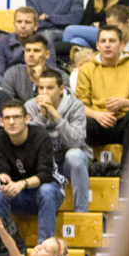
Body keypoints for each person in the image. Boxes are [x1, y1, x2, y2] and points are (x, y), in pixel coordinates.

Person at [75, 23, 129, 166]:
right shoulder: (87, 69)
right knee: (81, 120)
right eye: (103, 41)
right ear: (97, 45)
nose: (107, 45)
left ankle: (127, 169)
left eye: (112, 41)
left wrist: (125, 102)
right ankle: (89, 166)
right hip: (97, 122)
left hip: (123, 124)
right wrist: (97, 115)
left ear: (121, 45)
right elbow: (80, 105)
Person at [0, 99, 61, 240]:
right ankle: (2, 246)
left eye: (16, 117)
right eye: (7, 118)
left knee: (47, 190)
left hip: (45, 193)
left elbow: (45, 175)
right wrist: (4, 178)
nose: (11, 122)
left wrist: (22, 184)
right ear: (2, 122)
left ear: (27, 119)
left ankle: (45, 247)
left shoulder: (41, 137)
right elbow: (1, 167)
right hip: (18, 194)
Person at [27, 69, 90, 213]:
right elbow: (28, 145)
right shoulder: (30, 107)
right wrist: (42, 115)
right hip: (44, 163)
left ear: (61, 89)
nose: (44, 92)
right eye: (41, 88)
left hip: (67, 162)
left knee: (75, 155)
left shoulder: (76, 106)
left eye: (50, 88)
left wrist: (55, 115)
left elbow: (76, 142)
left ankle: (81, 212)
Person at [0, 6, 52, 80]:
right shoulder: (2, 43)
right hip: (8, 85)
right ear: (14, 24)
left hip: (37, 85)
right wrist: (9, 87)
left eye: (28, 22)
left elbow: (50, 72)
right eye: (19, 22)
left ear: (35, 26)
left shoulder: (46, 43)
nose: (23, 26)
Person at [2, 35, 53, 104]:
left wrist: (40, 80)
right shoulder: (12, 74)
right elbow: (8, 106)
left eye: (36, 51)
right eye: (28, 50)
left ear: (47, 54)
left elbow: (59, 108)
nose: (31, 54)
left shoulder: (60, 77)